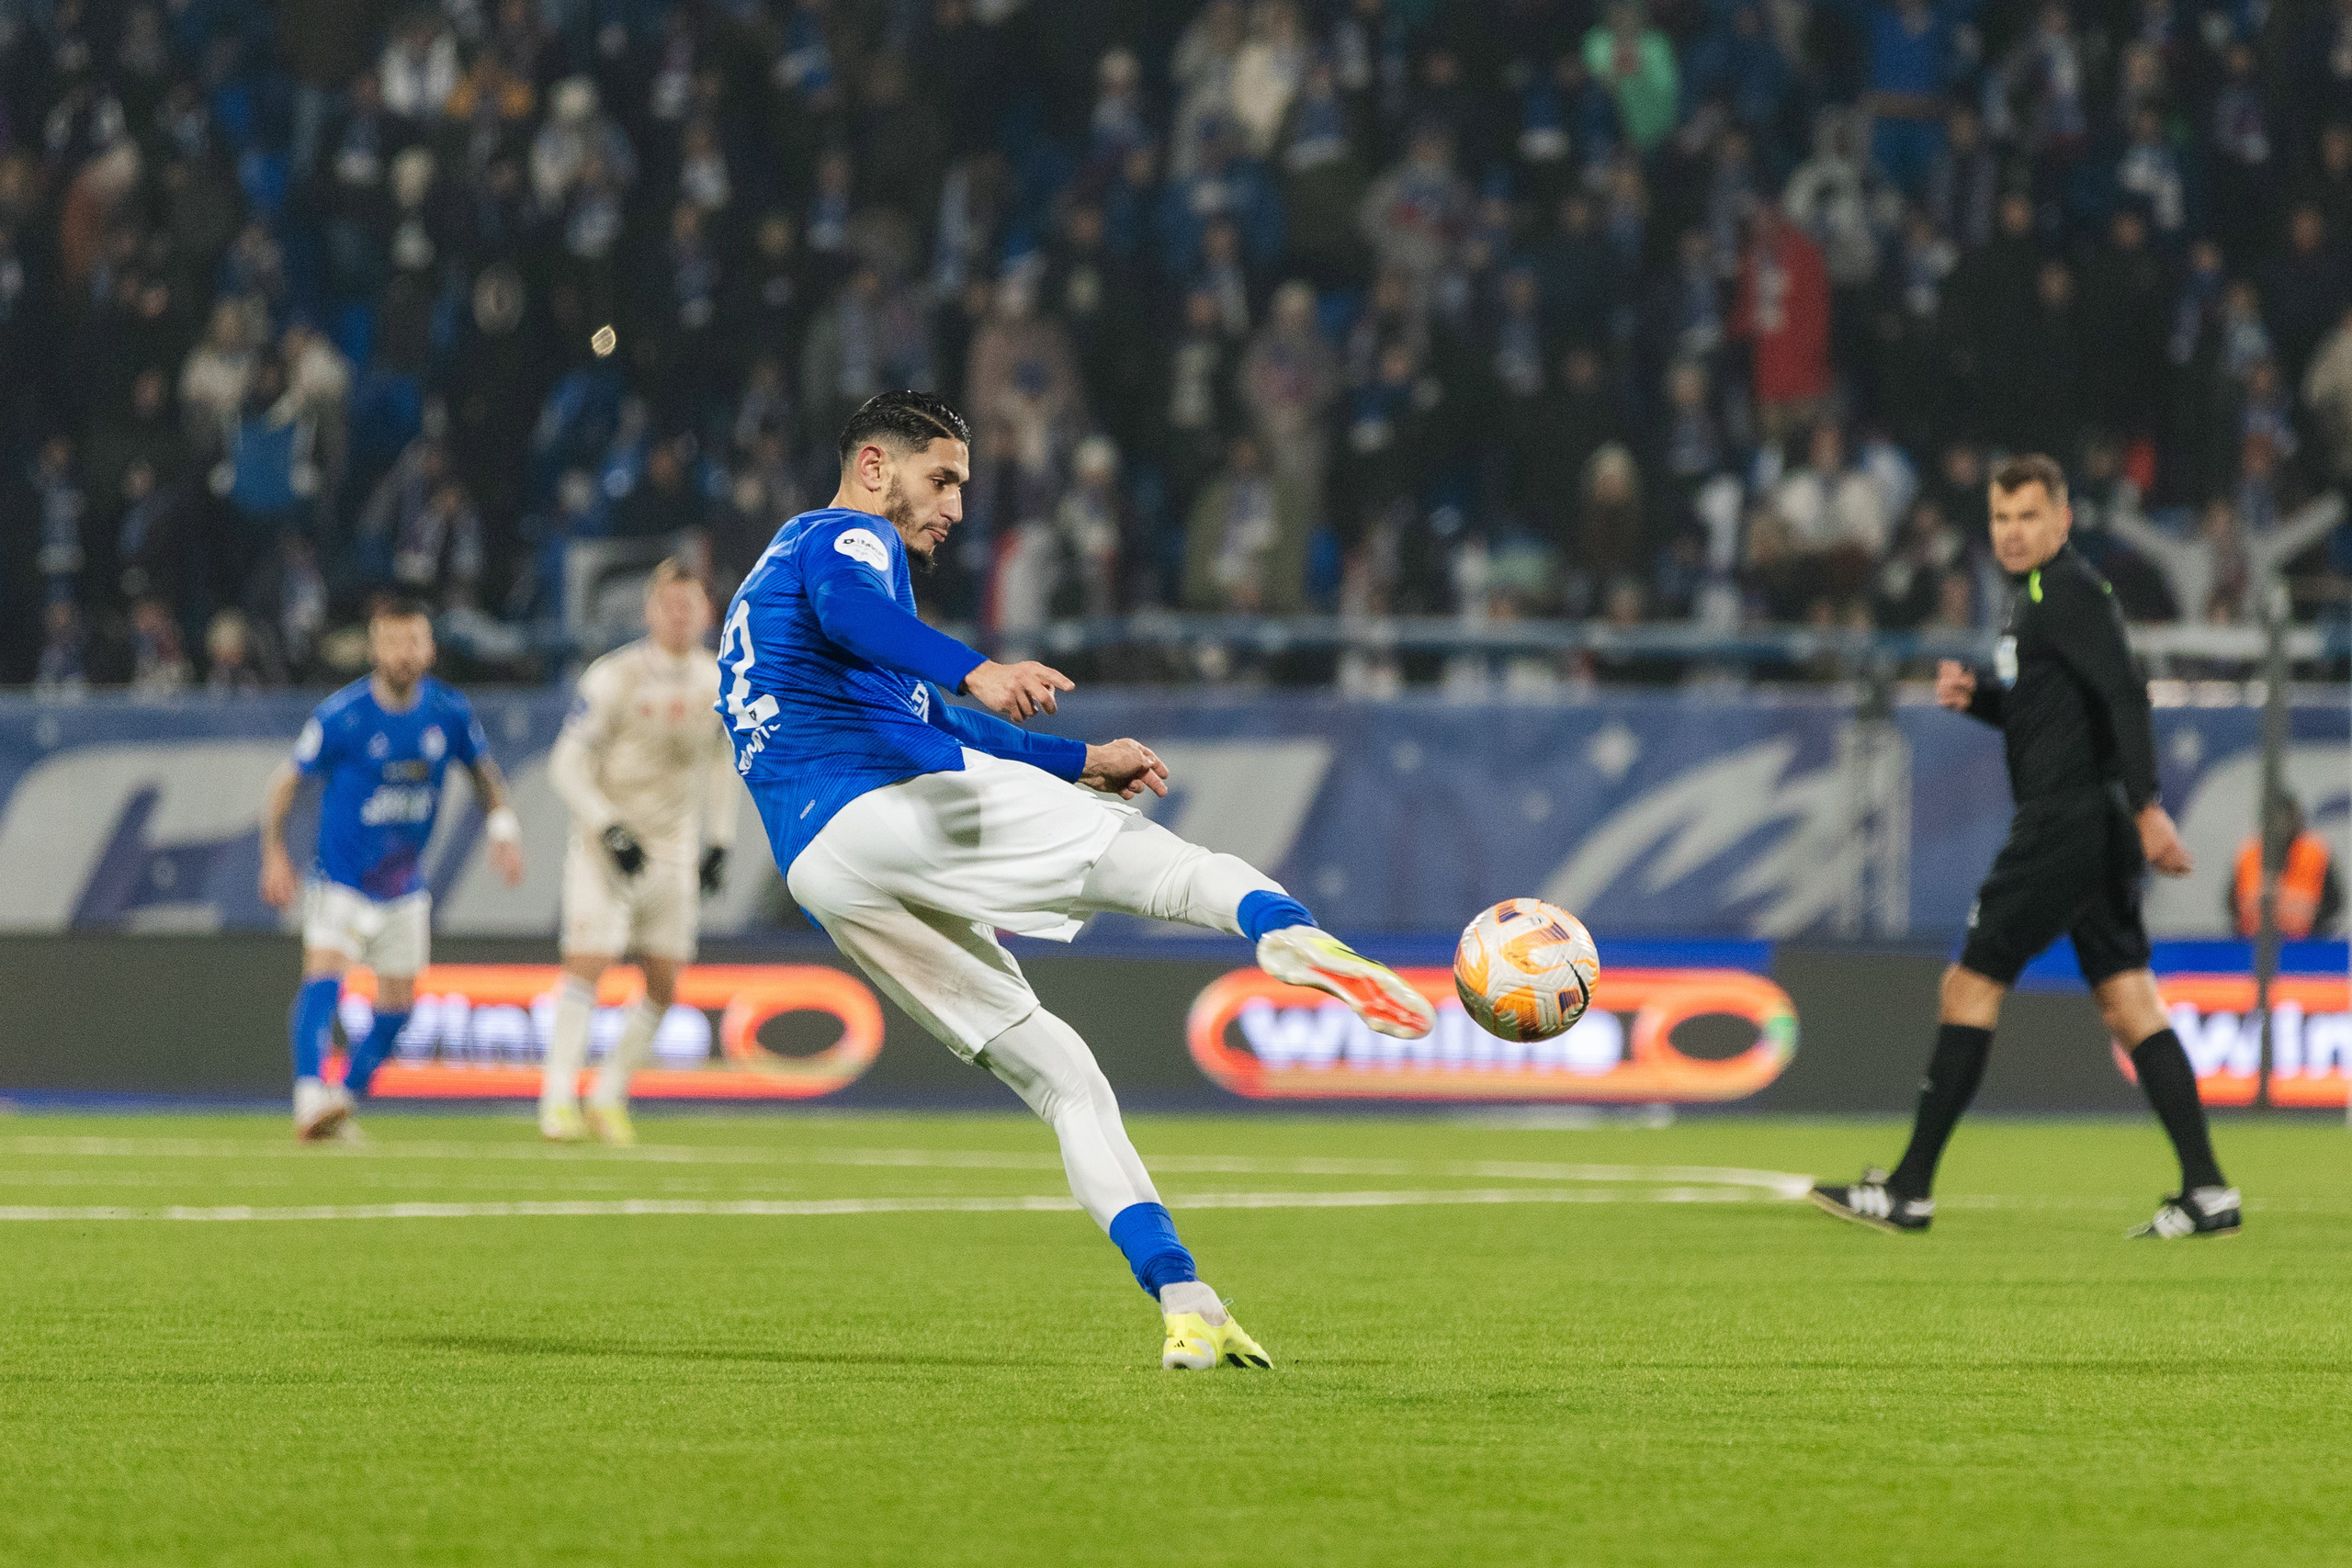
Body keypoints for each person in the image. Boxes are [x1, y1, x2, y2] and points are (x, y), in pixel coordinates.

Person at [718, 389, 1435, 1370]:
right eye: (945, 479)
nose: (956, 508)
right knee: (1151, 858)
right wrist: (974, 665)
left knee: (1065, 1080)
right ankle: (1285, 931)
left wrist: (1075, 756)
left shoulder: (776, 575)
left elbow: (931, 713)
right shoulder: (847, 541)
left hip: (824, 870)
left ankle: (1186, 1298)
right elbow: (882, 644)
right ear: (877, 467)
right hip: (881, 798)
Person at [1812, 456, 2239, 1240]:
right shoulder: (2037, 598)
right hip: (2094, 822)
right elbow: (2054, 718)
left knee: (1968, 984)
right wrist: (1983, 701)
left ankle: (1909, 1189)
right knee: (2129, 1000)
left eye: (2028, 516)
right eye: (2001, 519)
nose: (2013, 533)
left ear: (2063, 519)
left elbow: (2122, 694)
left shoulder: (2066, 592)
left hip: (2066, 825)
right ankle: (2208, 1189)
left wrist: (2149, 808)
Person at [258, 600, 526, 1141]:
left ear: (430, 648)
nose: (406, 654)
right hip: (341, 880)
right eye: (395, 642)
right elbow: (285, 783)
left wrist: (503, 827)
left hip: (404, 887)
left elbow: (484, 774)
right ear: (375, 649)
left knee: (400, 1006)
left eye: (416, 642)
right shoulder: (342, 715)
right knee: (324, 975)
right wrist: (274, 853)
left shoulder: (449, 713)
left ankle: (342, 1101)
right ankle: (309, 1093)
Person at [538, 561, 738, 1145]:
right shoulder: (615, 676)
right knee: (588, 959)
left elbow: (725, 759)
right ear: (651, 611)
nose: (679, 616)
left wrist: (720, 840)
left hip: (673, 847)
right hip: (607, 845)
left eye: (690, 605)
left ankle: (607, 1096)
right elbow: (566, 764)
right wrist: (608, 826)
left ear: (707, 614)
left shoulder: (719, 681)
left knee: (664, 981)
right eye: (669, 605)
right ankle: (556, 1102)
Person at [2229, 793, 2343, 940]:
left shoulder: (2316, 853)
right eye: (2275, 818)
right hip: (2253, 943)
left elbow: (2334, 902)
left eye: (2287, 817)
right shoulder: (2249, 852)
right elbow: (2232, 902)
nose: (2281, 824)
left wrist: (2316, 926)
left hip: (2306, 945)